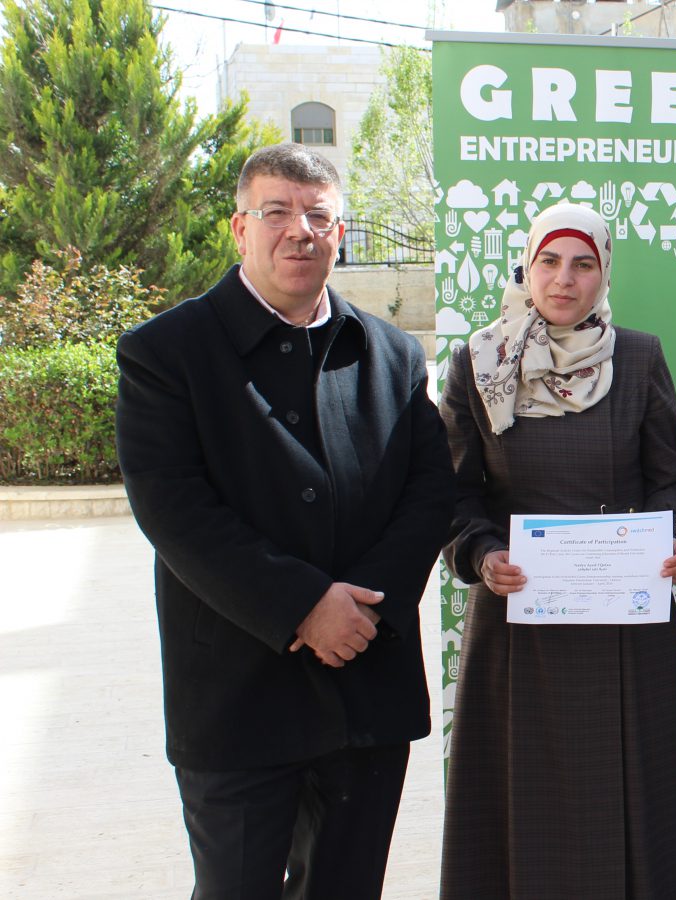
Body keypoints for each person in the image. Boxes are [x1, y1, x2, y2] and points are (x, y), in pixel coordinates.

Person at [114, 142, 454, 900]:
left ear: (342, 233)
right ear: (240, 229)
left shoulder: (393, 354)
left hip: (366, 689)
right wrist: (303, 606)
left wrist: (360, 606)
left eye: (319, 216)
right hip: (237, 699)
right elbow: (174, 509)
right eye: (276, 212)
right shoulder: (167, 353)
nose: (299, 231)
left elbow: (433, 490)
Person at [436, 202, 676, 899]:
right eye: (550, 260)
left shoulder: (638, 357)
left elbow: (673, 479)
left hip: (623, 628)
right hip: (518, 625)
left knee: (626, 800)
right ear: (527, 264)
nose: (564, 278)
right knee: (523, 804)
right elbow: (454, 499)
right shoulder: (479, 361)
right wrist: (484, 555)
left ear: (604, 272)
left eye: (583, 263)